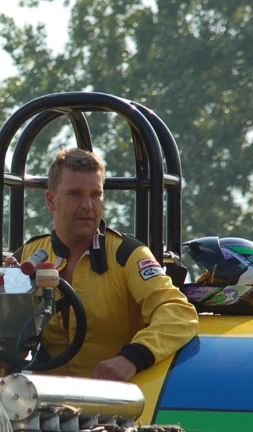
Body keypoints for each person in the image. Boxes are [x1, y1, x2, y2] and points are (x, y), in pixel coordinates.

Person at [13, 148, 198, 381]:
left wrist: (130, 359)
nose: (87, 206)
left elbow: (179, 313)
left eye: (95, 194)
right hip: (37, 400)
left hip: (117, 400)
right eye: (75, 194)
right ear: (51, 200)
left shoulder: (127, 255)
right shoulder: (25, 258)